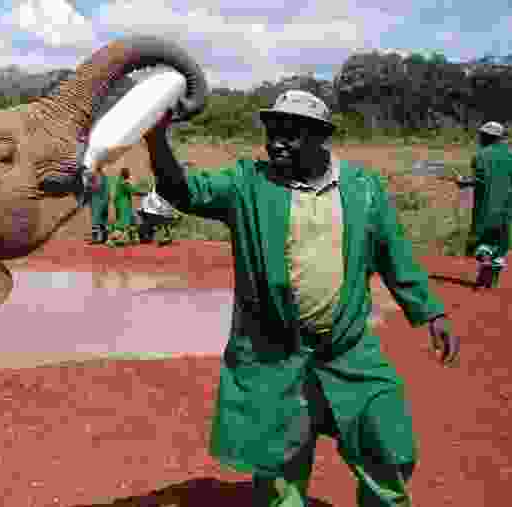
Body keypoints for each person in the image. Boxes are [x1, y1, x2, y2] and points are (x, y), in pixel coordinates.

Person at [143, 89, 461, 507]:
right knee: (279, 463)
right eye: (272, 132)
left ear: (319, 137)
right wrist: (156, 139)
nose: (276, 141)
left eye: (290, 134)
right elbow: (181, 190)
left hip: (348, 347)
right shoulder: (247, 183)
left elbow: (394, 255)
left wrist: (431, 312)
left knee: (386, 437)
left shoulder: (362, 190)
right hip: (275, 351)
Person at [452, 121, 512, 289]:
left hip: (486, 207)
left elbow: (480, 181)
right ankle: (491, 280)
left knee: (481, 241)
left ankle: (485, 260)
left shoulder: (480, 156)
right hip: (507, 208)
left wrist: (464, 182)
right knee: (501, 243)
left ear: (487, 137)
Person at [110, 167, 147, 244]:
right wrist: (145, 193)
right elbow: (133, 191)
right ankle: (111, 240)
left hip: (123, 205)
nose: (129, 174)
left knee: (132, 221)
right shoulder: (124, 183)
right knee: (122, 225)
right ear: (125, 174)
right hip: (123, 206)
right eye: (128, 173)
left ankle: (133, 238)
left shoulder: (120, 181)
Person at [86, 164, 110, 244]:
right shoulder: (104, 177)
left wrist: (89, 186)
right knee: (103, 221)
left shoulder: (98, 176)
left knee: (95, 220)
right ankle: (104, 237)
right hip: (104, 201)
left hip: (98, 201)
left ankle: (95, 238)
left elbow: (97, 187)